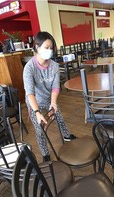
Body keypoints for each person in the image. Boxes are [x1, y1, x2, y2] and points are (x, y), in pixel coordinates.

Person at [23, 31, 76, 161]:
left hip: (48, 98)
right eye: (46, 47)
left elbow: (55, 87)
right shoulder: (29, 68)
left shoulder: (54, 66)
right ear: (36, 47)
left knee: (59, 117)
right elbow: (30, 92)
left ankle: (66, 135)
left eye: (51, 48)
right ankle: (45, 154)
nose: (49, 50)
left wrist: (53, 103)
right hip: (34, 101)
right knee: (40, 129)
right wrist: (36, 112)